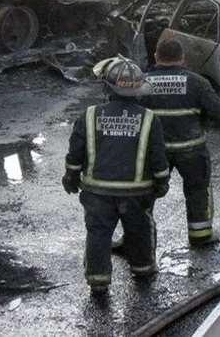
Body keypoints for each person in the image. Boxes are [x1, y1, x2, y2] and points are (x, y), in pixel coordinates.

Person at [64, 56, 170, 294]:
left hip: (97, 192)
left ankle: (98, 279)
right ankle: (142, 268)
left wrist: (70, 178)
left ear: (106, 87)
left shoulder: (89, 115)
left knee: (98, 233)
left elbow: (75, 152)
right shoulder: (149, 118)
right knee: (140, 229)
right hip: (137, 193)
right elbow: (158, 157)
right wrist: (162, 181)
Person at [140, 38, 220, 247]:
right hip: (192, 149)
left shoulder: (142, 83)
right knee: (197, 191)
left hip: (155, 152)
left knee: (143, 194)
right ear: (182, 58)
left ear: (156, 57)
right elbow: (218, 111)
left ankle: (139, 237)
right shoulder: (197, 82)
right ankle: (200, 235)